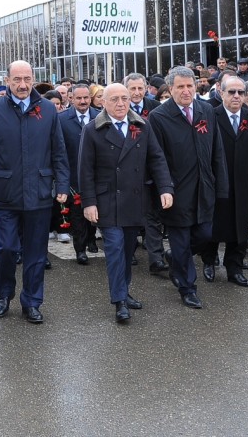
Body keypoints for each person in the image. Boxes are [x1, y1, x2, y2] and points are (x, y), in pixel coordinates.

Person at [0, 60, 69, 324]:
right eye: (17, 79)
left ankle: (32, 301)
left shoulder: (47, 110)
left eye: (27, 79)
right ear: (7, 81)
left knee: (36, 253)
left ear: (33, 80)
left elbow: (59, 151)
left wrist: (62, 185)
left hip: (39, 194)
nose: (22, 85)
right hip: (4, 194)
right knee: (7, 248)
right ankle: (4, 294)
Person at [79, 83, 173, 322]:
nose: (121, 104)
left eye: (125, 98)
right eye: (115, 99)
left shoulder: (141, 126)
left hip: (134, 198)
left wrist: (165, 188)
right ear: (103, 102)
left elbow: (157, 158)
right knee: (115, 250)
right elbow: (85, 170)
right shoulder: (93, 129)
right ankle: (119, 300)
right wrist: (89, 203)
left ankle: (124, 290)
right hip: (107, 201)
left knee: (128, 248)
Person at [147, 66, 228, 309]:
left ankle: (174, 258)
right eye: (180, 87)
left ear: (196, 86)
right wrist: (164, 189)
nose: (185, 91)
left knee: (204, 234)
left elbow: (217, 150)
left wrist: (221, 185)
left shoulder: (206, 111)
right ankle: (187, 287)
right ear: (170, 89)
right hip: (176, 192)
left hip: (204, 188)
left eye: (189, 86)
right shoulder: (159, 117)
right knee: (181, 241)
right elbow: (156, 158)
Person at [201, 76, 248, 287]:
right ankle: (209, 261)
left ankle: (235, 267)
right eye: (231, 92)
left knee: (240, 226)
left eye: (240, 92)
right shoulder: (211, 116)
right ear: (221, 93)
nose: (237, 97)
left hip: (242, 183)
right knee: (214, 225)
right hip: (216, 182)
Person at [58, 83, 99, 263]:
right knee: (77, 214)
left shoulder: (100, 117)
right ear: (71, 99)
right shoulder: (61, 119)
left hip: (96, 175)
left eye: (86, 98)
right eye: (79, 98)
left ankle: (91, 238)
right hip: (73, 175)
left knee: (95, 212)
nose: (83, 101)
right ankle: (80, 249)